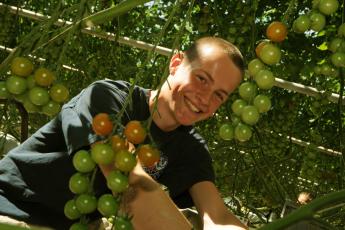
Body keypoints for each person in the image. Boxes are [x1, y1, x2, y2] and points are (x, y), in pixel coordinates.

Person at [0, 36, 247, 230]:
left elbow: (218, 216)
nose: (205, 97)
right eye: (202, 78)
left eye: (219, 95)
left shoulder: (192, 149)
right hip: (14, 210)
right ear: (175, 64)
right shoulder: (108, 98)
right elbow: (126, 176)